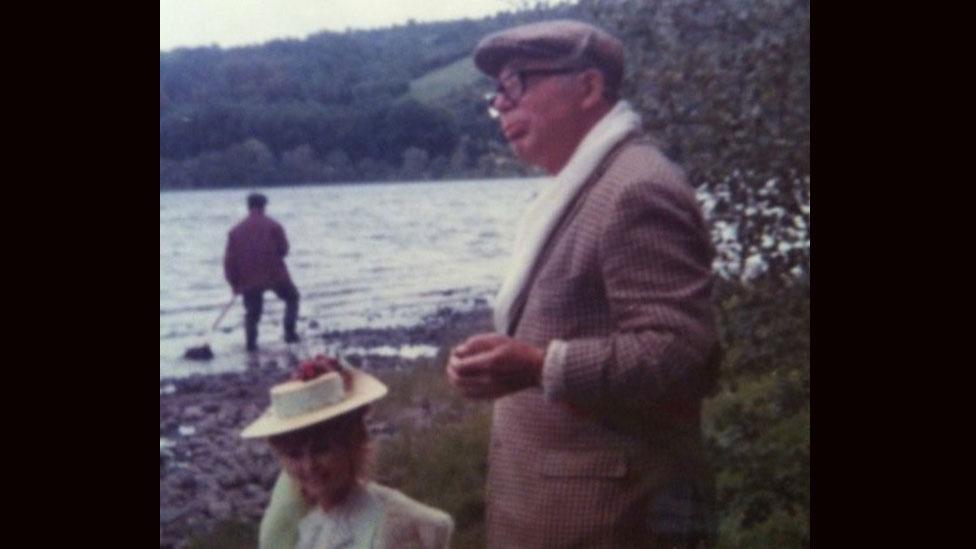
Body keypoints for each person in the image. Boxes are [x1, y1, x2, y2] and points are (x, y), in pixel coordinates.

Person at [445, 20, 722, 548]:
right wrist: (496, 363)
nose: (501, 105)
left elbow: (680, 354)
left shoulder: (634, 188)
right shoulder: (585, 186)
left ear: (589, 88)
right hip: (568, 514)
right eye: (496, 92)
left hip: (617, 522)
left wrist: (535, 366)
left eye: (516, 83)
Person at [241, 356, 455, 549]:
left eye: (322, 449)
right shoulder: (307, 521)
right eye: (295, 455)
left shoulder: (394, 525)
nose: (309, 466)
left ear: (354, 443)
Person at [224, 192, 301, 351]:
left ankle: (251, 345)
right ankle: (289, 333)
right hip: (275, 274)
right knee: (292, 298)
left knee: (252, 312)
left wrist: (234, 283)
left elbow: (229, 261)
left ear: (248, 207)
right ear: (264, 206)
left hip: (248, 278)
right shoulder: (274, 225)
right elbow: (284, 250)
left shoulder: (235, 231)